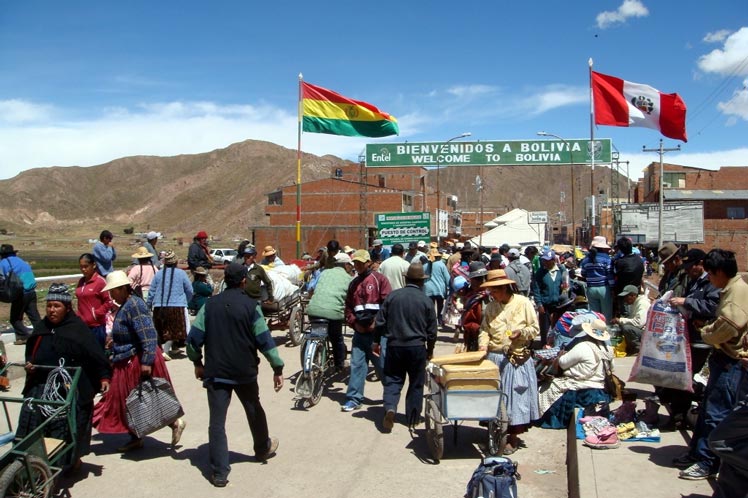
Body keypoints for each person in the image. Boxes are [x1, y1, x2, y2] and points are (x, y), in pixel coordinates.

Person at [186, 263, 284, 488]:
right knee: (254, 410)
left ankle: (220, 473)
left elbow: (194, 340)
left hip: (216, 372)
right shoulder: (251, 307)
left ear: (225, 281)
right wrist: (277, 367)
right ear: (243, 282)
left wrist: (197, 363)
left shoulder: (209, 306)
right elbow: (264, 341)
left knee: (217, 423)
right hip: (245, 372)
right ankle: (262, 449)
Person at [18, 283, 112, 471]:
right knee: (32, 421)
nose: (52, 310)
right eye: (49, 306)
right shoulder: (41, 328)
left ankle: (71, 460)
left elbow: (96, 356)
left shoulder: (78, 330)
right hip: (42, 385)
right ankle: (31, 463)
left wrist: (103, 377)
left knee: (69, 426)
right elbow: (31, 352)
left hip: (71, 389)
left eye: (56, 306)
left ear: (67, 308)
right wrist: (30, 365)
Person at [674, 249, 748, 480]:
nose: (710, 280)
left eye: (711, 274)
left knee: (717, 413)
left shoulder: (736, 293)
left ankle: (709, 462)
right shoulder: (731, 289)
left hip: (731, 362)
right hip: (723, 360)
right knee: (708, 409)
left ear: (719, 272)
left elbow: (727, 328)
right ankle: (698, 454)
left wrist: (706, 332)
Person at [93, 271, 185, 453]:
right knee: (130, 401)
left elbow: (148, 335)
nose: (110, 295)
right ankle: (135, 436)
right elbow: (129, 331)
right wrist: (115, 340)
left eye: (113, 291)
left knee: (143, 398)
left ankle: (174, 422)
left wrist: (147, 361)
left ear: (122, 289)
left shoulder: (134, 305)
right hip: (127, 357)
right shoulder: (126, 305)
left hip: (137, 360)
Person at [479, 269, 540, 455]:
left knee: (515, 399)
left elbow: (535, 328)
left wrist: (520, 333)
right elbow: (484, 330)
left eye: (495, 290)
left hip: (516, 358)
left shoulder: (523, 303)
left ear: (505, 288)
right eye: (491, 291)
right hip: (495, 357)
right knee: (495, 399)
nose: (492, 294)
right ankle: (496, 433)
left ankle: (512, 438)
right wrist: (483, 346)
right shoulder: (490, 307)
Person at [374, 262, 437, 431]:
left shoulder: (393, 297)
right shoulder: (426, 301)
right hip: (417, 347)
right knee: (416, 383)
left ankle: (390, 408)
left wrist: (376, 341)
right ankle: (413, 417)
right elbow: (432, 331)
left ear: (406, 279)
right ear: (422, 282)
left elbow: (379, 322)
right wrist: (430, 351)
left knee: (393, 380)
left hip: (394, 345)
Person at [663, 248, 720, 427]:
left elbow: (712, 306)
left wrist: (685, 302)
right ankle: (679, 414)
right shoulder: (695, 282)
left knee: (686, 379)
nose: (688, 270)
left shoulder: (711, 283)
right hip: (689, 338)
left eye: (691, 266)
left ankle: (681, 416)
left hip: (702, 341)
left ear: (700, 264)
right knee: (682, 377)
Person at [341, 249, 392, 412]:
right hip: (359, 333)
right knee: (357, 365)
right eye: (355, 263)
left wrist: (376, 324)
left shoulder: (380, 280)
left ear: (368, 262)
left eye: (360, 263)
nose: (357, 266)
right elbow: (348, 308)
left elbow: (387, 305)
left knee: (383, 366)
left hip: (377, 334)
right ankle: (354, 398)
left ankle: (390, 397)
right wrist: (354, 323)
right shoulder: (353, 284)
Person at [538, 319, 613, 429]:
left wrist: (560, 355)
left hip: (581, 389)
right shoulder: (608, 349)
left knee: (545, 389)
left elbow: (563, 363)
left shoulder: (583, 346)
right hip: (600, 388)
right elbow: (612, 368)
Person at [305, 252, 353, 371]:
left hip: (313, 310)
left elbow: (313, 289)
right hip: (333, 314)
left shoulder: (324, 273)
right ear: (346, 265)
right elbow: (350, 298)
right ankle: (339, 365)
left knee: (316, 332)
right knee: (336, 338)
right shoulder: (349, 278)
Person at [147, 250, 193, 360]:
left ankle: (174, 347)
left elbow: (152, 291)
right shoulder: (181, 273)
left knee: (162, 328)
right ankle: (165, 350)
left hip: (159, 305)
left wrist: (149, 304)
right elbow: (190, 290)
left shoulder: (158, 274)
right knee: (175, 329)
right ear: (175, 262)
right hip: (177, 306)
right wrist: (186, 301)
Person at [0, 244, 42, 345]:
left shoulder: (3, 263)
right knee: (34, 316)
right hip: (31, 291)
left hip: (20, 294)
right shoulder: (21, 261)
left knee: (15, 319)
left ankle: (24, 336)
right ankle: (42, 335)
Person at [532, 249, 570, 345]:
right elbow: (536, 289)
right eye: (544, 260)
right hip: (545, 304)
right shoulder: (540, 273)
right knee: (544, 328)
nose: (546, 263)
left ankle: (557, 345)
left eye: (548, 260)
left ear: (553, 260)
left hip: (559, 304)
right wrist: (539, 304)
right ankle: (544, 346)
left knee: (558, 327)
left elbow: (568, 284)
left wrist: (565, 287)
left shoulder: (561, 270)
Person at [75, 253, 113, 348]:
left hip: (96, 326)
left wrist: (97, 313)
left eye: (86, 266)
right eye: (81, 267)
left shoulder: (100, 282)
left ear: (94, 265)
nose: (83, 269)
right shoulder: (81, 282)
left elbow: (109, 301)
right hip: (82, 325)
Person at [580, 236, 614, 323]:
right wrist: (613, 288)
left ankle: (595, 334)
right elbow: (609, 274)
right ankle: (606, 332)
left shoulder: (586, 259)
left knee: (594, 315)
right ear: (603, 247)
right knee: (606, 315)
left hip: (591, 289)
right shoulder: (606, 258)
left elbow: (583, 273)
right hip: (604, 289)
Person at [610, 285, 650, 355]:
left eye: (626, 296)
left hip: (645, 332)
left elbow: (639, 323)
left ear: (633, 295)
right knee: (622, 326)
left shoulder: (642, 303)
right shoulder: (635, 303)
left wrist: (620, 320)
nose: (624, 299)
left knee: (627, 328)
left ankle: (638, 349)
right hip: (640, 330)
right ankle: (629, 348)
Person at [460, 261, 489, 352]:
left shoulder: (491, 295)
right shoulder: (470, 297)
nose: (480, 282)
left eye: (482, 278)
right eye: (476, 279)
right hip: (474, 337)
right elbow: (467, 321)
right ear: (471, 280)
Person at [612, 237, 644, 312]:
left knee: (625, 314)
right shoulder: (639, 259)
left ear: (620, 249)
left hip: (625, 293)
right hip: (637, 292)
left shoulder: (620, 262)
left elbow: (616, 277)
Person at [424, 247, 450, 324]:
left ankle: (431, 321)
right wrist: (449, 288)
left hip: (428, 289)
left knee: (430, 307)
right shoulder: (441, 265)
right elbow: (447, 278)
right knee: (440, 305)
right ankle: (440, 319)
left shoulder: (425, 265)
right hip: (439, 289)